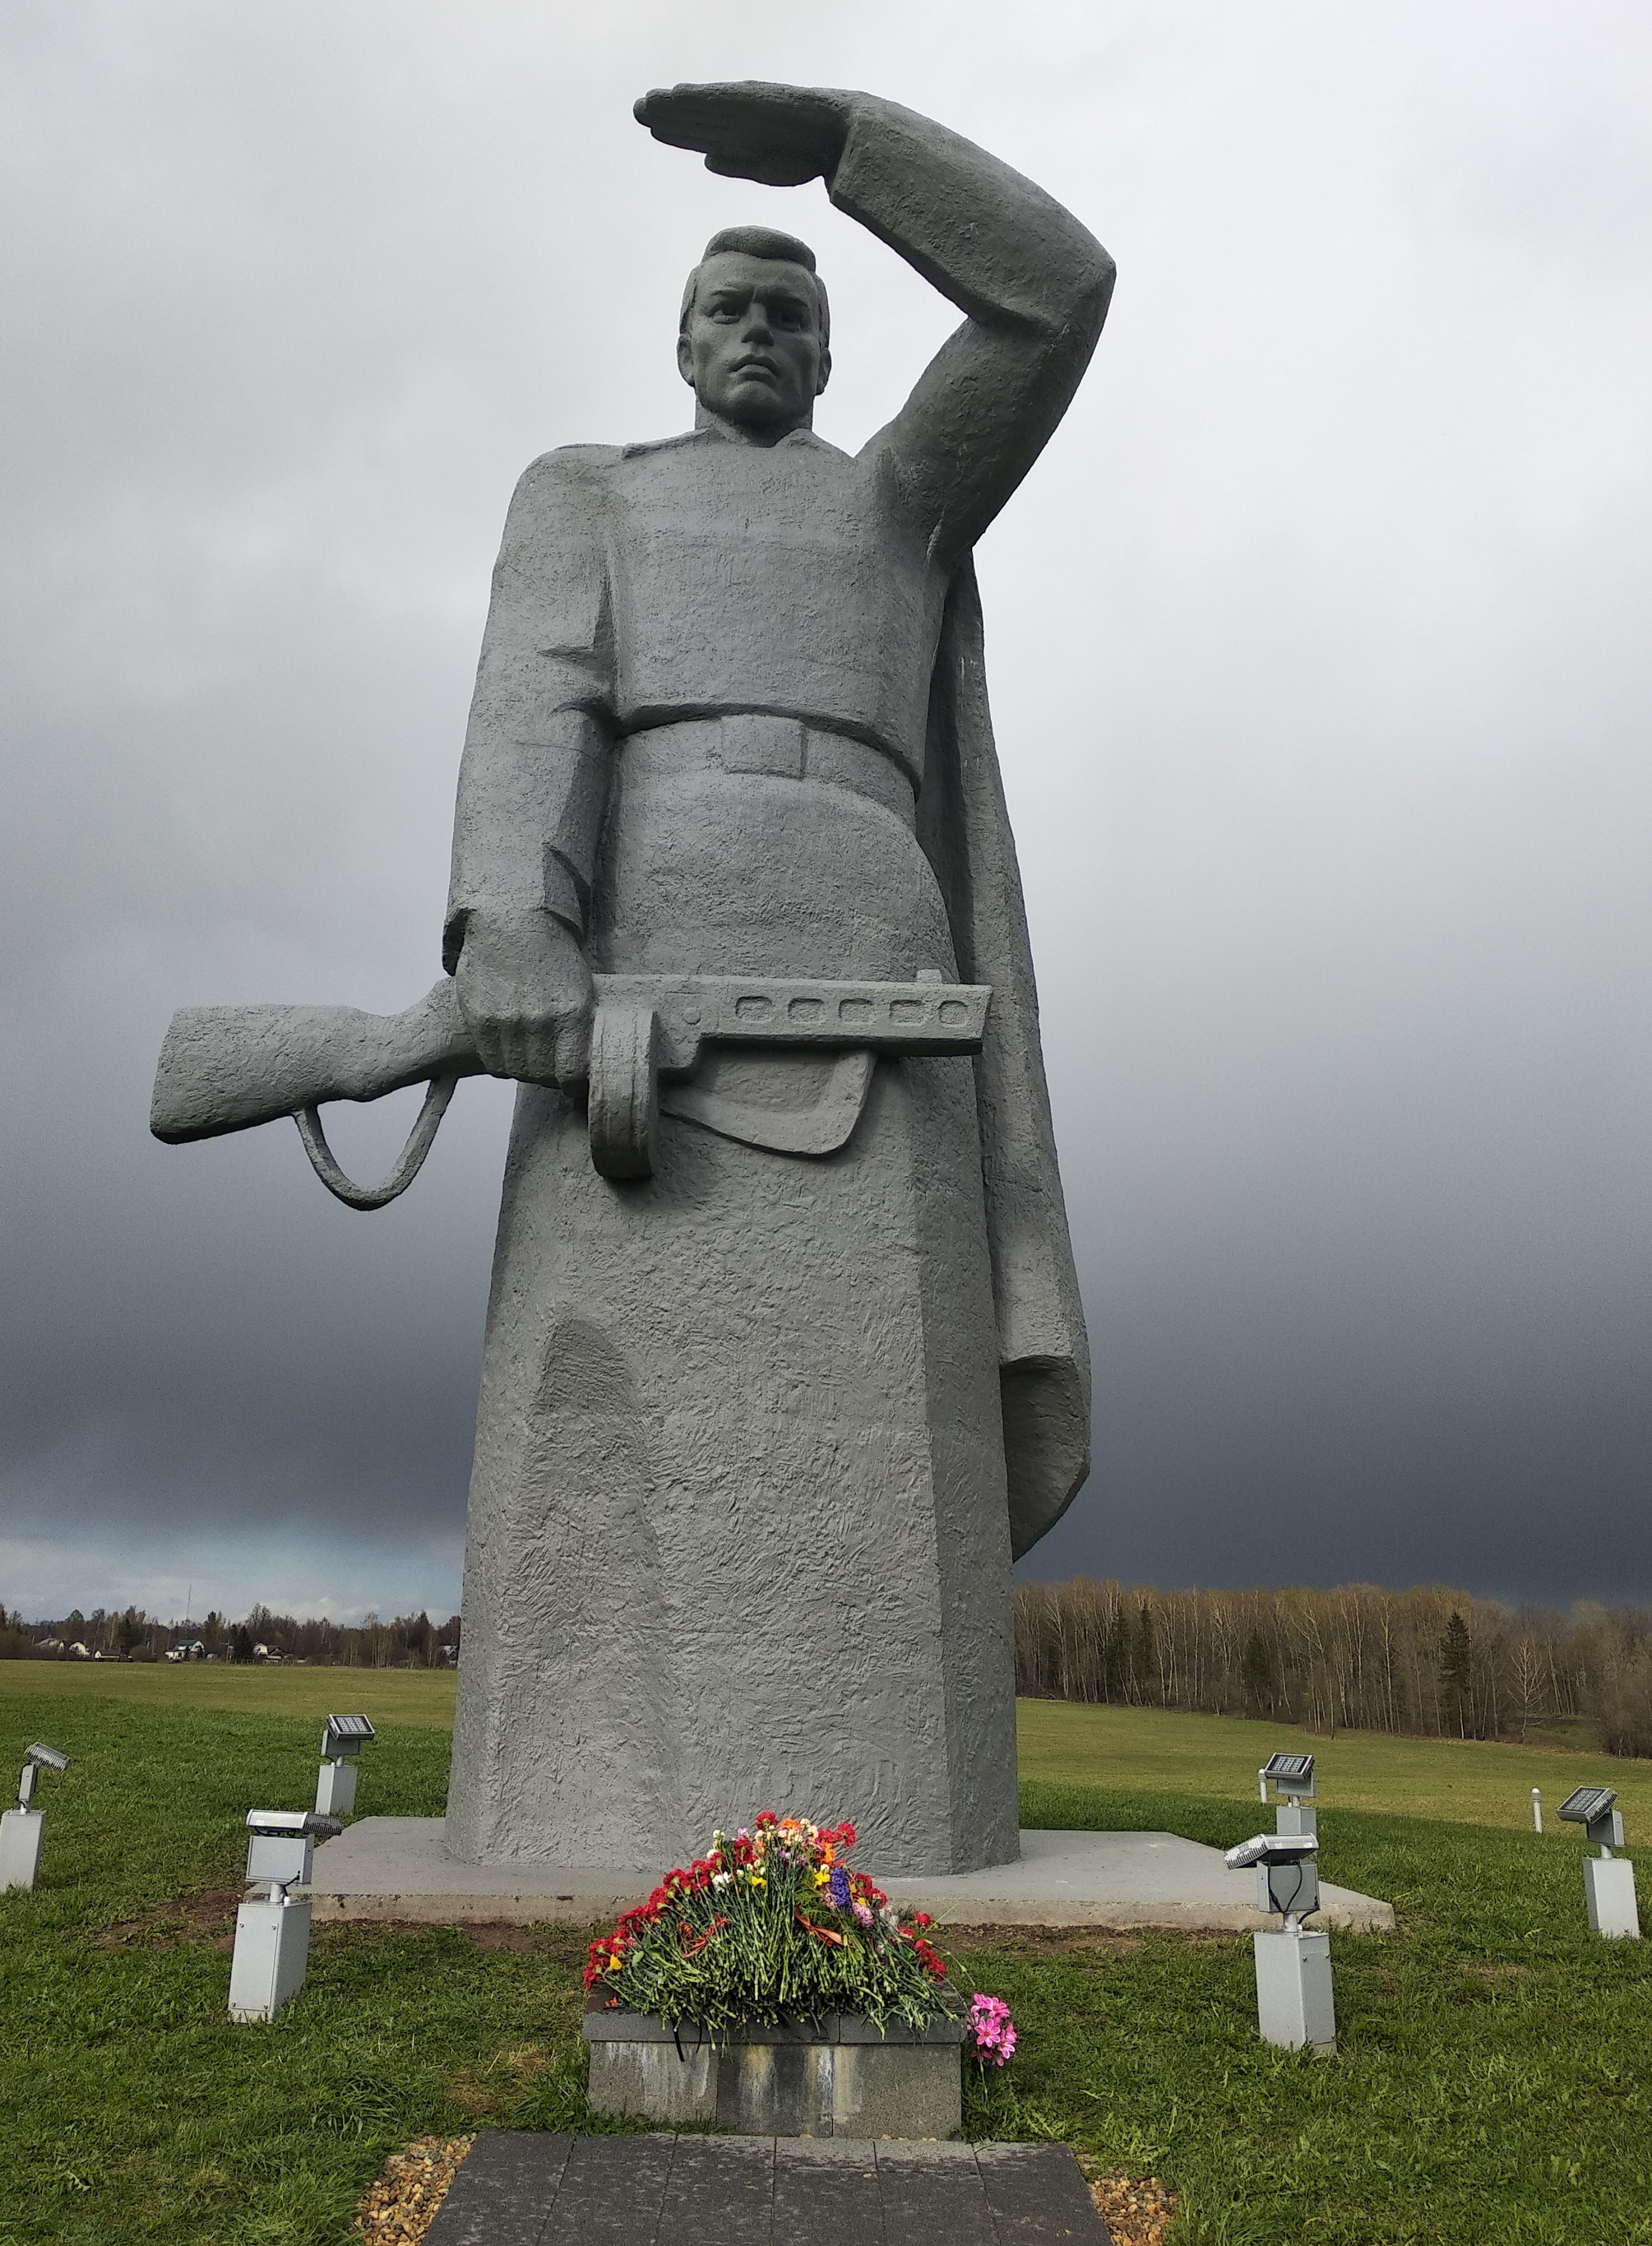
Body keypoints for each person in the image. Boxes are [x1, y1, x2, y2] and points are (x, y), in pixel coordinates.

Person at [442, 83, 1114, 1874]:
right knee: (616, 1394)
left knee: (873, 1418)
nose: (760, 333)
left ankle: (879, 1807)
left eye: (792, 317)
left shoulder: (898, 502)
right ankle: (587, 1801)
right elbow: (533, 701)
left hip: (870, 933)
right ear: (678, 344)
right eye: (730, 310)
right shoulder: (589, 491)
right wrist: (510, 920)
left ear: (830, 362)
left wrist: (842, 147)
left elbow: (1057, 291)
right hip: (637, 936)